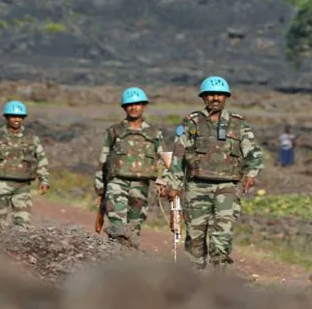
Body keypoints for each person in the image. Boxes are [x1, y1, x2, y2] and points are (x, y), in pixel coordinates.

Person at [160, 76, 264, 269]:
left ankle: (219, 283)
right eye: (211, 95)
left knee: (222, 237)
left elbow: (253, 152)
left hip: (227, 188)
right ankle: (194, 284)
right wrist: (173, 185)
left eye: (219, 95)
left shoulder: (238, 124)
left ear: (226, 98)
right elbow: (178, 156)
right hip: (196, 187)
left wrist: (252, 173)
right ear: (203, 98)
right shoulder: (191, 122)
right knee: (195, 239)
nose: (215, 98)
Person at [94, 87, 167, 247]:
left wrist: (164, 180)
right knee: (116, 222)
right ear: (124, 107)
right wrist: (99, 183)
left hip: (141, 185)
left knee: (135, 225)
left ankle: (130, 258)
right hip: (117, 182)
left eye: (138, 104)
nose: (134, 108)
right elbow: (104, 156)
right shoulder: (114, 131)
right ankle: (115, 254)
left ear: (144, 106)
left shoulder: (154, 132)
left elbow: (163, 158)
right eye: (130, 105)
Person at [0, 100, 50, 225]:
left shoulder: (31, 137)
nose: (16, 119)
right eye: (13, 116)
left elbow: (41, 159)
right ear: (6, 117)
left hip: (22, 186)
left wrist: (44, 180)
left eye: (20, 117)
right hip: (0, 184)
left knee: (23, 223)